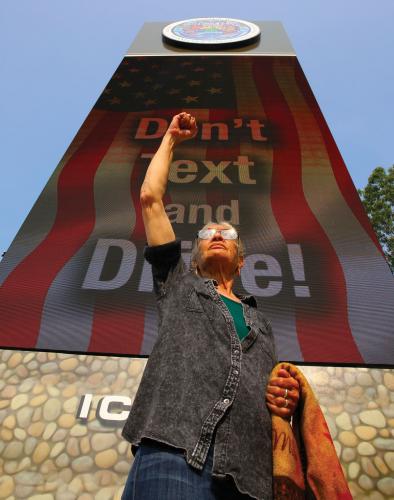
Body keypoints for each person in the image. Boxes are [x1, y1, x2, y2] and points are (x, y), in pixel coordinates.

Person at [121, 113, 299, 500]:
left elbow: (270, 393)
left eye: (227, 233)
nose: (216, 233)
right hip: (175, 451)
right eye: (206, 233)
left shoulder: (261, 322)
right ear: (195, 256)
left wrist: (286, 393)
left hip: (250, 477)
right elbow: (151, 199)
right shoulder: (179, 285)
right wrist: (170, 138)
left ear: (241, 261)